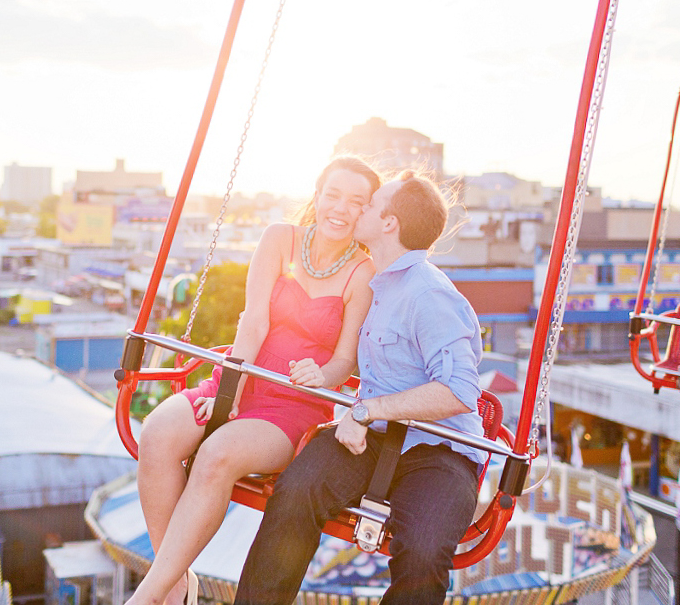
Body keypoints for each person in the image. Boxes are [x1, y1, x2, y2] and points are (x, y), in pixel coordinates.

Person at [125, 156, 382, 605]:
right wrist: (230, 396)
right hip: (243, 376)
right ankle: (177, 585)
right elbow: (254, 323)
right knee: (158, 433)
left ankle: (149, 593)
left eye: (357, 202)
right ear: (317, 195)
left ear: (367, 212)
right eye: (334, 195)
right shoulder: (279, 238)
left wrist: (321, 375)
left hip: (295, 403)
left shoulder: (364, 272)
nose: (341, 209)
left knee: (216, 455)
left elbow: (345, 359)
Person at [233, 171, 485, 605]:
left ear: (389, 223)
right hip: (372, 439)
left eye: (369, 205)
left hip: (439, 450)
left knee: (423, 554)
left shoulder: (429, 294)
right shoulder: (374, 283)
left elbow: (459, 390)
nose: (360, 210)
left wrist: (368, 411)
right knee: (294, 495)